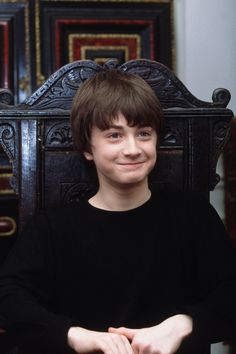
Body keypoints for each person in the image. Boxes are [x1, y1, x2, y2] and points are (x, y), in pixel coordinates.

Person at [0, 69, 235, 354]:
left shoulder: (193, 215)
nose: (133, 149)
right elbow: (9, 299)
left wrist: (183, 324)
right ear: (87, 147)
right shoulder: (52, 227)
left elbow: (228, 293)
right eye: (114, 135)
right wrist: (75, 335)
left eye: (144, 133)